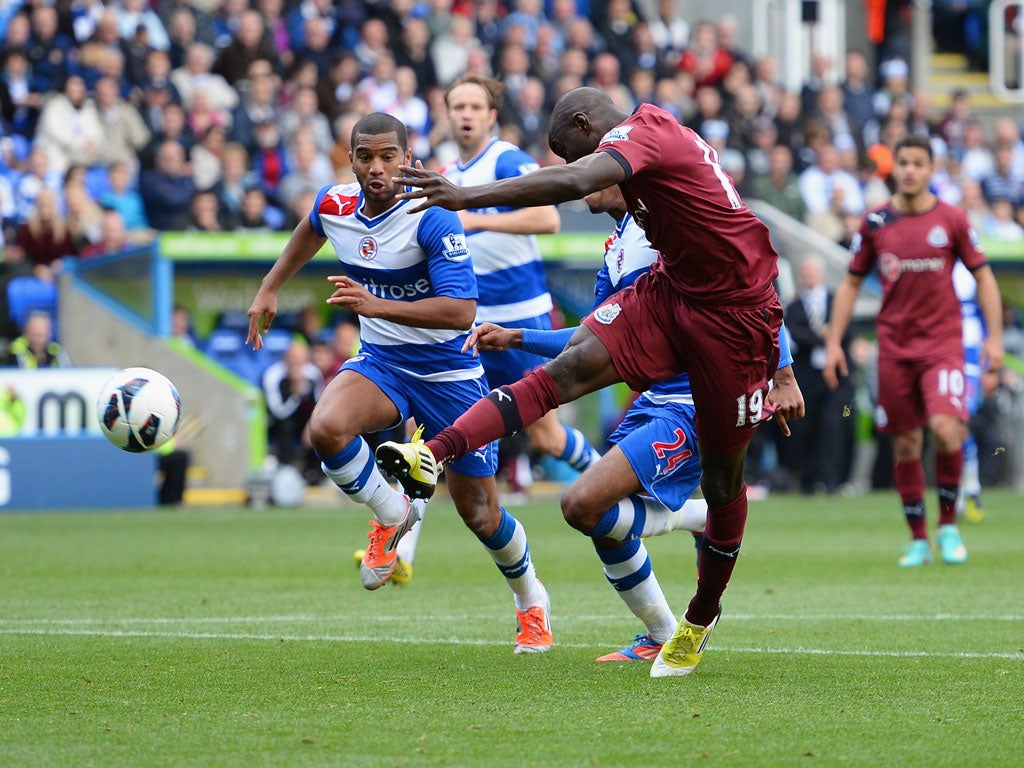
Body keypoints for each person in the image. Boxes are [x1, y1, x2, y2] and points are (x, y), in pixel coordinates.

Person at [376, 87, 784, 678]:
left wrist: (466, 197)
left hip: (735, 321)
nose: (575, 169)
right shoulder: (624, 230)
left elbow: (572, 184)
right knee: (563, 376)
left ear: (587, 124)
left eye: (571, 152)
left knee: (725, 483)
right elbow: (587, 202)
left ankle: (699, 617)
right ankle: (431, 454)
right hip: (674, 294)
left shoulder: (645, 133)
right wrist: (516, 339)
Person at [245, 113, 553, 653]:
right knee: (326, 428)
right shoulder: (334, 204)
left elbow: (461, 312)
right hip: (383, 361)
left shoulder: (430, 216)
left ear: (408, 159)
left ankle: (531, 600)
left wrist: (375, 304)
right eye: (365, 156)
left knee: (480, 514)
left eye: (389, 156)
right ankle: (393, 513)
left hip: (450, 374)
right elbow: (310, 228)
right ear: (351, 159)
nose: (377, 167)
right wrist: (270, 286)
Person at [464, 183, 802, 662]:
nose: (582, 179)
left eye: (590, 165)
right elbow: (591, 340)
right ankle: (662, 631)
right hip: (650, 401)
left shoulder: (675, 221)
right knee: (603, 522)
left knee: (586, 504)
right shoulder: (619, 247)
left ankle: (703, 519)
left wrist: (782, 370)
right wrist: (520, 338)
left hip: (693, 403)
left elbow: (752, 289)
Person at [823, 135, 1004, 567]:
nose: (909, 169)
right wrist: (834, 341)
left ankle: (948, 527)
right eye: (903, 162)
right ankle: (919, 538)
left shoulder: (953, 219)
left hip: (942, 346)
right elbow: (850, 283)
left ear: (930, 170)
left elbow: (984, 278)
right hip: (895, 349)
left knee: (945, 429)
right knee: (905, 443)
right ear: (895, 169)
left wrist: (994, 338)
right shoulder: (875, 222)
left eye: (918, 163)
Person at [441, 74, 600, 491]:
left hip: (520, 316)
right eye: (458, 107)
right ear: (448, 116)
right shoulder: (444, 174)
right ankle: (397, 547)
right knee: (430, 429)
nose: (466, 115)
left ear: (492, 116)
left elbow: (548, 219)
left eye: (475, 107)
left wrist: (474, 218)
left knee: (546, 437)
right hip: (469, 321)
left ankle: (617, 482)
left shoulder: (505, 161)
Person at [783, 257, 852, 495]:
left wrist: (828, 336)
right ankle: (808, 481)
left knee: (834, 425)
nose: (809, 277)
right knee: (805, 428)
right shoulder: (796, 305)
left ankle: (832, 479)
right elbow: (795, 333)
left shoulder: (836, 302)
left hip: (835, 378)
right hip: (807, 377)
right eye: (806, 273)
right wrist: (821, 336)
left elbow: (848, 333)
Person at [952, 260, 987, 523]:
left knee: (961, 421)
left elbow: (982, 314)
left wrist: (987, 364)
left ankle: (969, 487)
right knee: (947, 424)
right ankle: (963, 489)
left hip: (969, 358)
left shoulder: (970, 268)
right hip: (940, 352)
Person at [260, 339, 323, 485]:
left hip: (305, 418)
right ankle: (286, 469)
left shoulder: (313, 374)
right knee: (285, 426)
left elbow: (320, 404)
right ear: (286, 359)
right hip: (280, 420)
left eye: (301, 361)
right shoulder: (273, 375)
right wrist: (295, 393)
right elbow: (278, 411)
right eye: (294, 360)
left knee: (319, 429)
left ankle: (315, 474)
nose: (298, 366)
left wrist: (311, 425)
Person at [3, 310, 70, 368]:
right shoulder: (14, 351)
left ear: (49, 334)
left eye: (41, 335)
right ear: (26, 333)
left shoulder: (56, 351)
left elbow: (68, 374)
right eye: (35, 335)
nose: (38, 340)